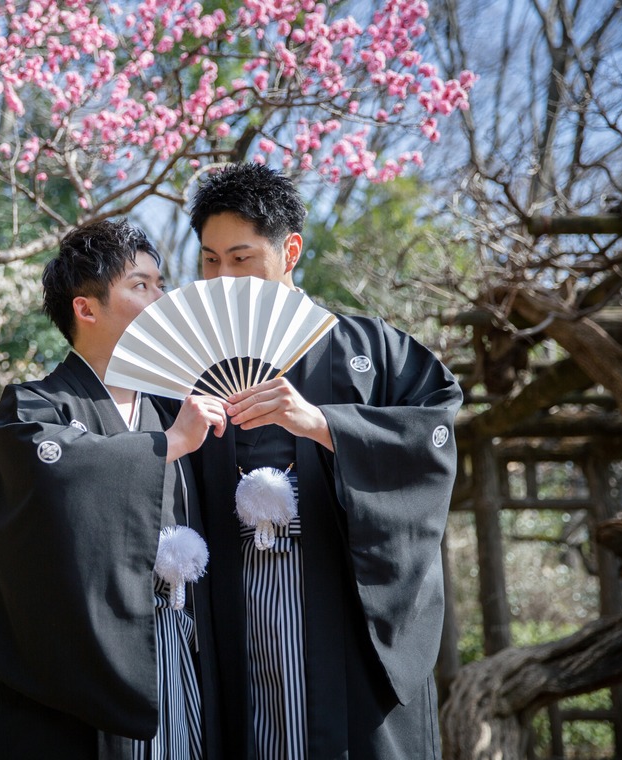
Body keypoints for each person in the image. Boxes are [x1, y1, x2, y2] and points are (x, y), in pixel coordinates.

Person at [187, 163, 462, 759]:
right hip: (235, 603)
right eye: (210, 260)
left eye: (241, 258)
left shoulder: (370, 347)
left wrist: (324, 425)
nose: (223, 277)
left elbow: (433, 436)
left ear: (290, 251)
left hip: (342, 604)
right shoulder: (192, 363)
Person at [0, 219, 228, 759]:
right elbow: (56, 487)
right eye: (141, 285)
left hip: (174, 643)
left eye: (161, 284)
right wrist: (168, 444)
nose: (161, 298)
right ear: (86, 309)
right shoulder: (32, 410)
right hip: (83, 665)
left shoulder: (174, 408)